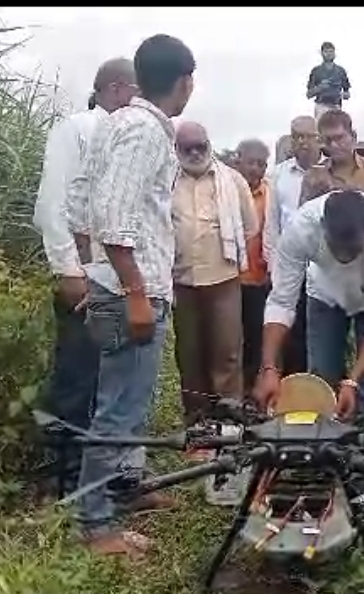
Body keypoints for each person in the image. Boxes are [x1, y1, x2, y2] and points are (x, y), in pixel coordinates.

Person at [71, 33, 195, 559]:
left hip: (118, 283)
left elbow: (82, 204)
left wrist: (97, 273)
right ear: (185, 82)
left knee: (127, 404)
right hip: (132, 289)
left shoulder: (118, 123)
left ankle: (124, 491)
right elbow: (114, 218)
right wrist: (134, 291)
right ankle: (97, 525)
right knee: (118, 411)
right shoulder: (143, 130)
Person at [33, 57, 138, 499]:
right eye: (136, 92)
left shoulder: (131, 137)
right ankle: (65, 480)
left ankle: (117, 478)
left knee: (118, 382)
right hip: (84, 275)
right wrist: (69, 270)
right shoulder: (76, 129)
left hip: (119, 278)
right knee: (78, 378)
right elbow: (52, 203)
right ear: (116, 89)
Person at [254, 189, 364, 418]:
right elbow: (282, 301)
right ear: (322, 227)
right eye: (335, 246)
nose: (343, 255)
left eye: (352, 248)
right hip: (324, 294)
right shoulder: (301, 230)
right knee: (320, 383)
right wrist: (268, 368)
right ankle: (325, 439)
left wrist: (352, 381)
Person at [171, 123, 258, 429]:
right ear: (176, 150)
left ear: (209, 145)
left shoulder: (232, 180)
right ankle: (198, 424)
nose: (195, 153)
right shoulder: (166, 180)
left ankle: (229, 424)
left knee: (227, 353)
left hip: (223, 279)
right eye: (188, 148)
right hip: (181, 281)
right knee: (189, 354)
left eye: (201, 146)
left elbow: (250, 227)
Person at [264, 116, 324, 376]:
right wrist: (273, 267)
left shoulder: (332, 170)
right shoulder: (278, 175)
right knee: (291, 329)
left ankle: (323, 385)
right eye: (297, 136)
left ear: (319, 139)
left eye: (308, 136)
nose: (303, 142)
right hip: (291, 265)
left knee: (322, 329)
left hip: (324, 265)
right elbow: (272, 224)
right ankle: (294, 384)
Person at [234, 138, 272, 395]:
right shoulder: (226, 190)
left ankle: (250, 392)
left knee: (256, 339)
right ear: (238, 162)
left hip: (259, 279)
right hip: (228, 280)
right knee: (229, 341)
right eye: (251, 162)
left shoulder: (270, 194)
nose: (256, 169)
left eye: (261, 164)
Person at [307, 41, 351, 119]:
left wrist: (342, 94)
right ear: (321, 53)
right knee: (321, 126)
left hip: (336, 107)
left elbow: (347, 94)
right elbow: (309, 94)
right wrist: (320, 88)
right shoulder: (316, 71)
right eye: (326, 52)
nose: (329, 54)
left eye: (331, 51)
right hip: (321, 107)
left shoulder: (341, 71)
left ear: (334, 53)